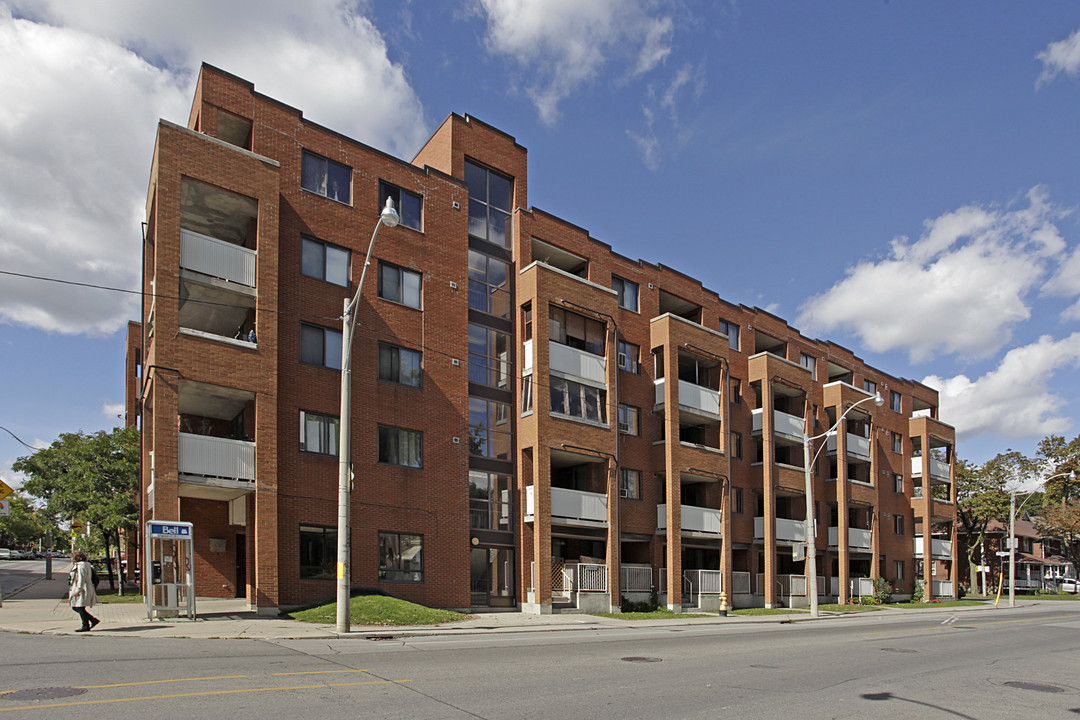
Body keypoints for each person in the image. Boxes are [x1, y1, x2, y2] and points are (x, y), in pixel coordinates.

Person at [68, 551, 100, 632]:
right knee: (77, 607)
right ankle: (92, 621)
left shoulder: (82, 565)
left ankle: (86, 625)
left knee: (79, 607)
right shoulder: (83, 565)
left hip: (83, 588)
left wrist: (78, 589)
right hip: (81, 587)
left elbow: (81, 578)